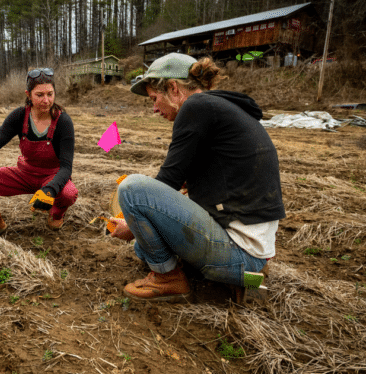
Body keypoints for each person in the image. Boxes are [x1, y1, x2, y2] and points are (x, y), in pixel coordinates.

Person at [110, 53, 285, 302]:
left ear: (173, 88)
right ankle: (236, 281)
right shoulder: (222, 109)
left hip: (240, 255)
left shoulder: (196, 106)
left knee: (132, 189)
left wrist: (131, 222)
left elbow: (166, 183)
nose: (154, 108)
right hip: (255, 256)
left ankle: (168, 278)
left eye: (154, 98)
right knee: (143, 246)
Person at [0, 68, 77, 233]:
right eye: (39, 95)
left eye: (50, 94)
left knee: (69, 193)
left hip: (52, 176)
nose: (46, 100)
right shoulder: (19, 116)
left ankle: (56, 214)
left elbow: (66, 167)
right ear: (28, 94)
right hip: (25, 174)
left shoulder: (63, 121)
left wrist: (50, 189)